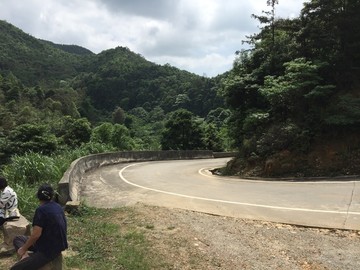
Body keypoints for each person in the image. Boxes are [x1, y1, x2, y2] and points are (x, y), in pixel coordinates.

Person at [10, 183, 68, 270]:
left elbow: (36, 235)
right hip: (56, 245)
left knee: (15, 268)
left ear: (38, 196)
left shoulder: (41, 210)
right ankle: (25, 256)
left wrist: (23, 249)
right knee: (18, 239)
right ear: (52, 196)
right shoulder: (58, 207)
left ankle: (26, 257)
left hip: (47, 251)